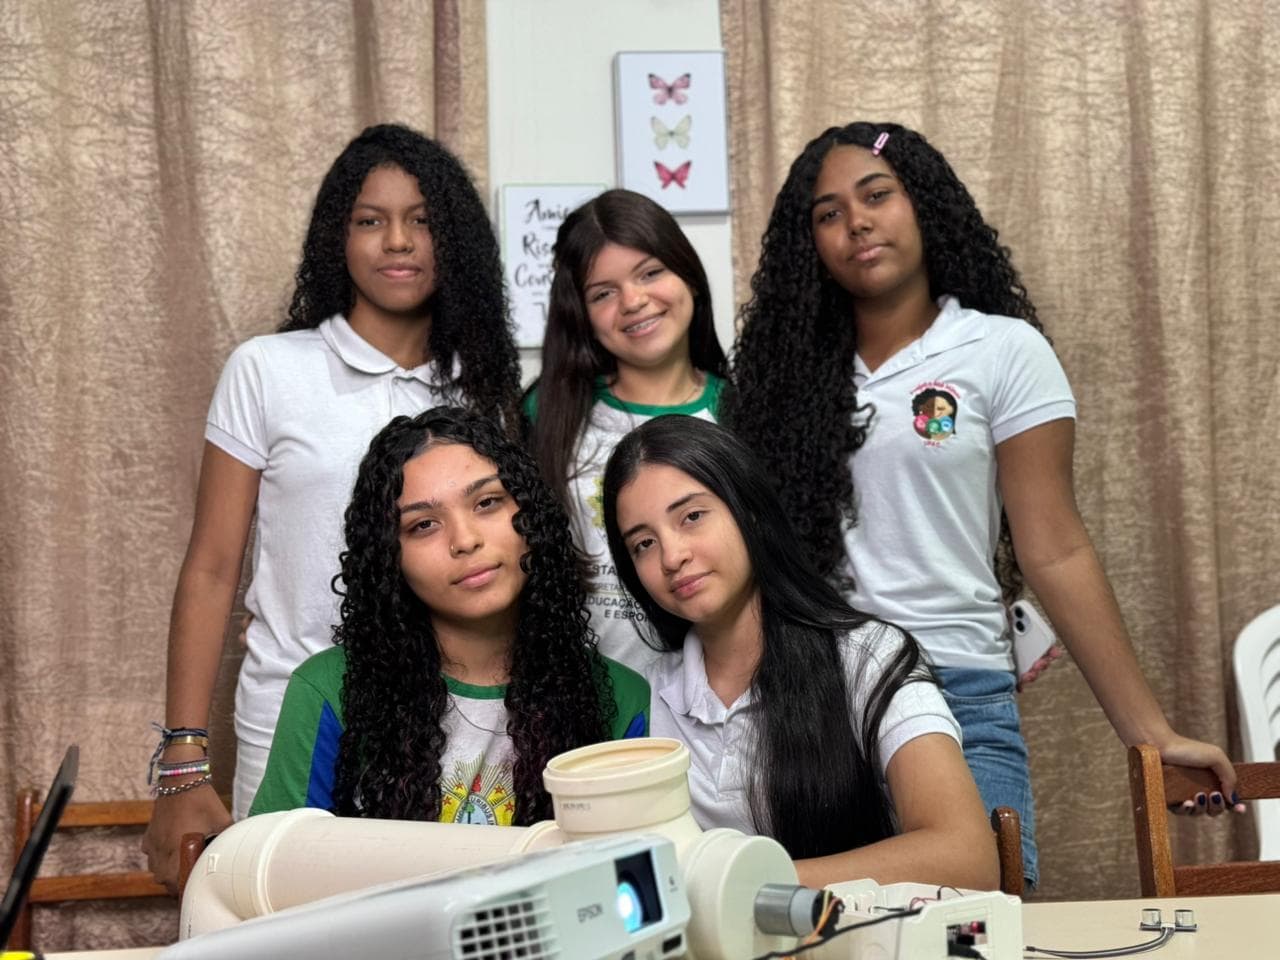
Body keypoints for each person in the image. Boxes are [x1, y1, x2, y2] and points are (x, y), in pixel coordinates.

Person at [725, 121, 1240, 886]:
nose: (856, 222)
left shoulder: (1002, 352)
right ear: (811, 245)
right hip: (820, 702)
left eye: (876, 195)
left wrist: (1151, 735)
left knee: (981, 917)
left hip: (959, 689)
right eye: (828, 213)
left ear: (925, 205)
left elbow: (1054, 547)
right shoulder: (779, 378)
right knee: (825, 925)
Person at [143, 124, 522, 888]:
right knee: (284, 921)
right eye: (370, 220)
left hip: (450, 727)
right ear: (336, 239)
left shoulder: (483, 390)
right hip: (290, 709)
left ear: (453, 240)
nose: (398, 241)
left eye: (422, 220)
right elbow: (212, 569)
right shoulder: (267, 370)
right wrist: (183, 760)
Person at [600, 415, 996, 890]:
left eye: (692, 517)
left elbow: (966, 857)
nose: (671, 556)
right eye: (643, 543)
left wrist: (742, 886)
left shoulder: (868, 658)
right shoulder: (645, 699)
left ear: (749, 512)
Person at [252, 407, 649, 821]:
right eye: (423, 525)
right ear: (389, 559)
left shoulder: (621, 702)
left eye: (487, 502)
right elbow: (278, 854)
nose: (465, 540)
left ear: (532, 515)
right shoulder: (328, 691)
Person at [525, 189, 729, 671]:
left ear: (689, 276)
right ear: (581, 314)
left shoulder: (744, 412)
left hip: (716, 690)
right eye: (603, 293)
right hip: (584, 688)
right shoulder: (546, 411)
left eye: (650, 273)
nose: (634, 301)